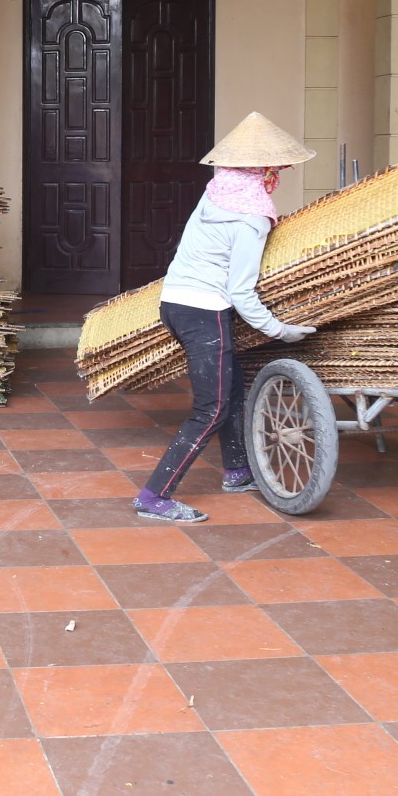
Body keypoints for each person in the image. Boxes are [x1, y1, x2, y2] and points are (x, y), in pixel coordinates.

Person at [135, 112, 317, 524]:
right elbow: (241, 291)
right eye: (276, 169)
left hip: (175, 304)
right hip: (204, 313)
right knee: (211, 409)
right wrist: (280, 330)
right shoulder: (251, 216)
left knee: (231, 389)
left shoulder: (217, 192)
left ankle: (237, 472)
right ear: (266, 170)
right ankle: (154, 496)